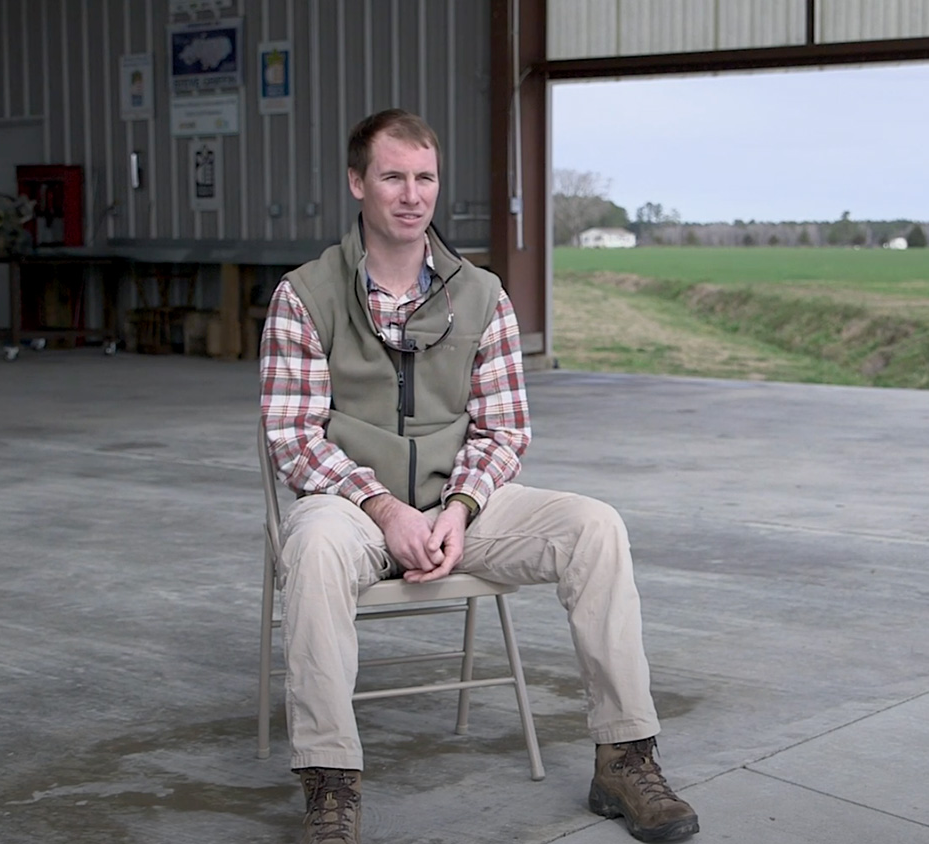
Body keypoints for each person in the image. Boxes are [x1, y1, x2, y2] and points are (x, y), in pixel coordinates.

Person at [259, 108, 700, 844]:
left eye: (424, 177)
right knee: (310, 547)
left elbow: (503, 430)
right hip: (351, 508)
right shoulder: (303, 295)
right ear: (357, 183)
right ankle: (330, 786)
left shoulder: (482, 295)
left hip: (462, 507)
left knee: (595, 526)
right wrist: (384, 509)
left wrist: (458, 508)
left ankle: (625, 756)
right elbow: (293, 436)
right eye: (393, 176)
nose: (411, 194)